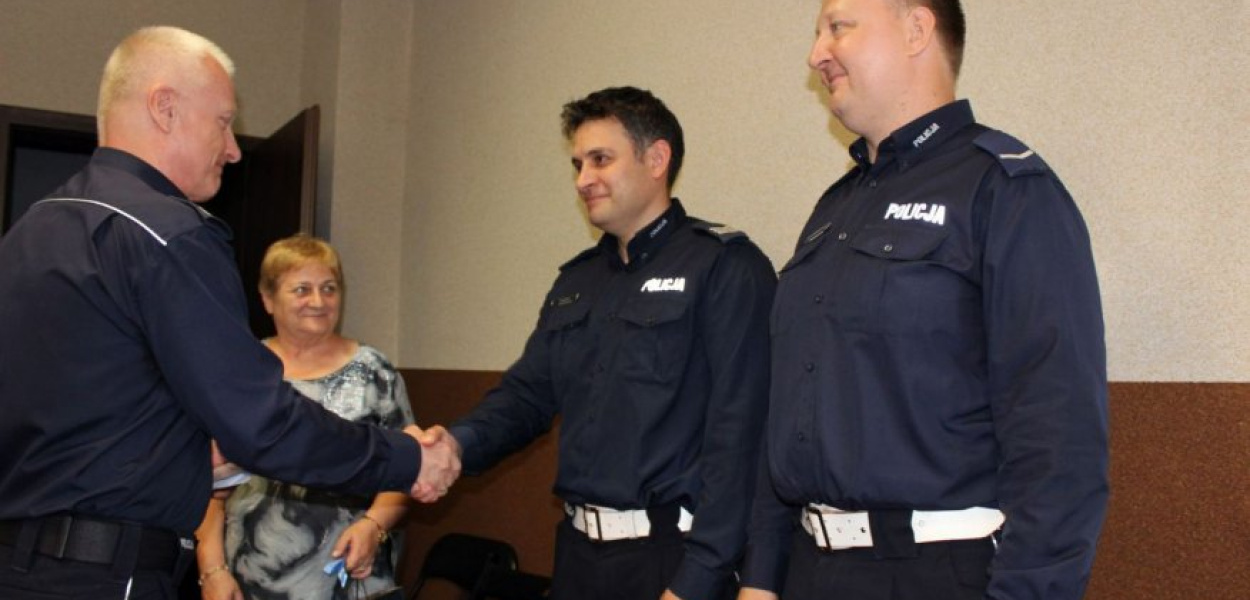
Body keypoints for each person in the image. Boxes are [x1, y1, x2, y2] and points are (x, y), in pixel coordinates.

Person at [0, 26, 458, 600]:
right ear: (165, 108)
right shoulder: (168, 234)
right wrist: (407, 458)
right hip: (105, 574)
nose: (235, 149)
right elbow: (259, 422)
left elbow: (89, 414)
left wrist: (185, 464)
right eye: (223, 122)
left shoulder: (29, 231)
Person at [738, 1, 1109, 599]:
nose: (816, 55)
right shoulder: (835, 209)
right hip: (812, 571)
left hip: (937, 573)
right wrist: (761, 576)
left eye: (838, 27)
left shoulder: (1004, 189)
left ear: (916, 29)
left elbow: (1059, 442)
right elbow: (790, 409)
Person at [430, 86, 776, 600]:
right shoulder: (577, 281)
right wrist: (456, 445)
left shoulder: (724, 267)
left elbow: (742, 438)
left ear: (656, 159)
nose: (582, 180)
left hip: (673, 559)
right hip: (578, 557)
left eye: (600, 160)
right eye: (577, 164)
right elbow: (527, 395)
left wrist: (699, 579)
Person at [196, 236, 413, 600]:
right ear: (268, 299)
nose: (318, 301)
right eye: (302, 290)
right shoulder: (242, 374)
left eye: (329, 288)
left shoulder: (376, 373)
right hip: (252, 579)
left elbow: (407, 470)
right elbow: (206, 484)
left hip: (354, 580)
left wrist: (374, 526)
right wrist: (212, 570)